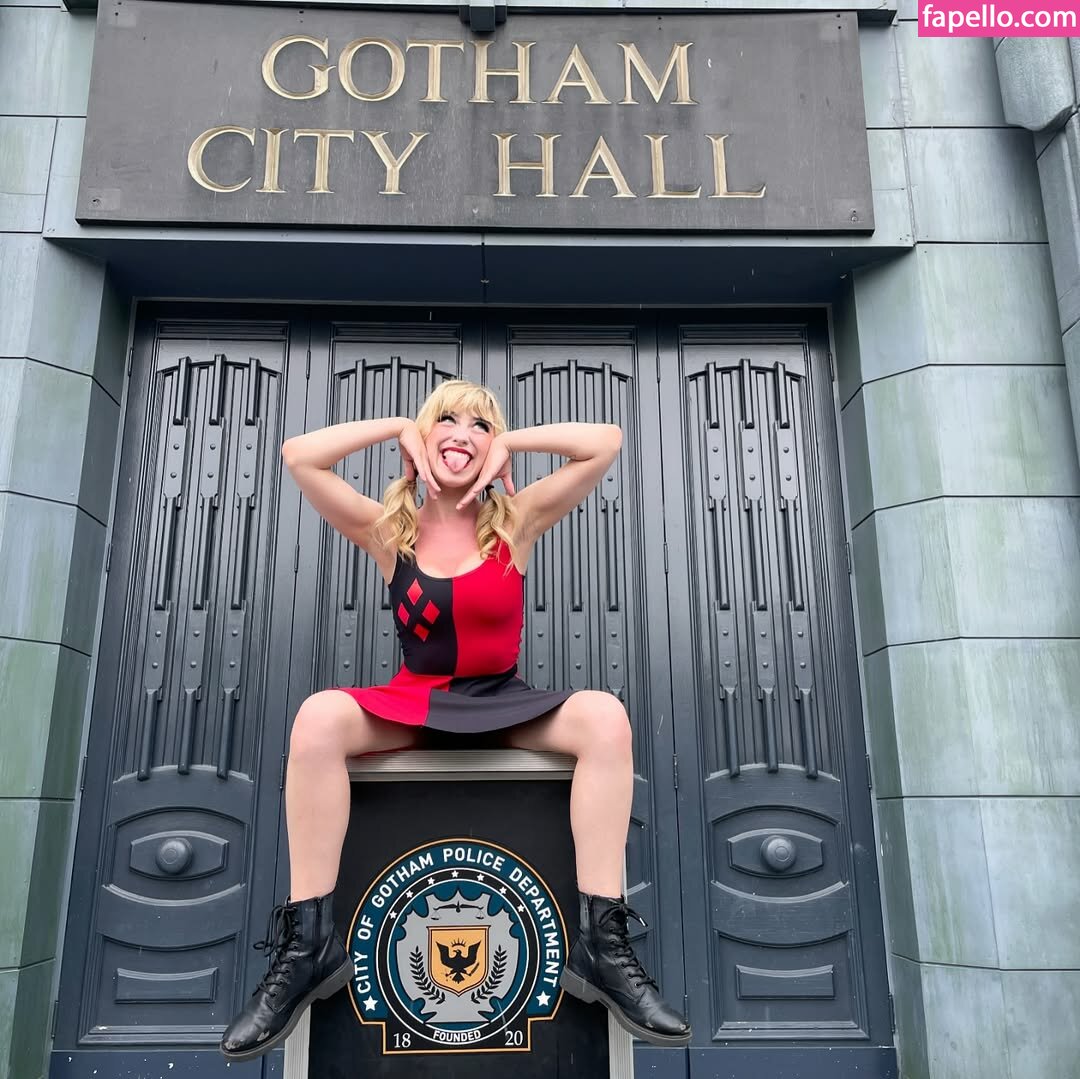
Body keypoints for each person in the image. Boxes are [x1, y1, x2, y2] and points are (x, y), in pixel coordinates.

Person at [220, 379, 691, 1061]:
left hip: (500, 700)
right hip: (419, 703)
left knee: (605, 717)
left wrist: (510, 442)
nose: (463, 433)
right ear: (425, 437)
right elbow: (299, 455)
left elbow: (605, 443)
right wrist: (396, 425)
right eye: (447, 418)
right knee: (318, 718)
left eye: (479, 424)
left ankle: (601, 944)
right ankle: (308, 947)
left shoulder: (516, 521)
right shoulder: (391, 531)